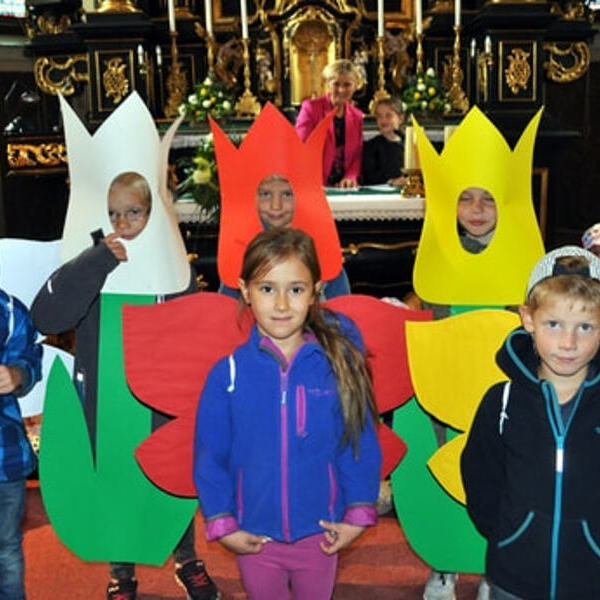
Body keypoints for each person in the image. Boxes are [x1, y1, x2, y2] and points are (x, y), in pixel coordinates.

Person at [31, 172, 219, 600]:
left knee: (170, 469)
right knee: (117, 469)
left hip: (162, 394)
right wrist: (98, 259)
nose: (123, 223)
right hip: (108, 396)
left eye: (134, 212)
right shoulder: (91, 262)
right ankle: (122, 570)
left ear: (154, 213)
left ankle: (186, 558)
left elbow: (192, 325)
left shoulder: (172, 264)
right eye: (113, 213)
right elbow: (49, 315)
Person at [194, 228, 382, 600]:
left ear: (315, 292)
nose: (281, 304)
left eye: (295, 289)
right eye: (267, 289)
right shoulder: (227, 374)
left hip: (320, 533)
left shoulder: (336, 366)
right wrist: (222, 520)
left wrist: (358, 512)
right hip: (255, 537)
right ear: (245, 290)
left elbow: (358, 442)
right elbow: (210, 456)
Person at [461, 245, 600, 600]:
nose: (568, 343)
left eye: (585, 327)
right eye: (554, 324)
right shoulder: (502, 402)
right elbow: (481, 477)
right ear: (528, 319)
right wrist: (508, 534)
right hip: (514, 576)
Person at [422, 186, 497, 600]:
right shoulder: (440, 255)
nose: (477, 209)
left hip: (496, 384)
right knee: (448, 468)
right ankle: (445, 562)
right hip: (450, 384)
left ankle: (491, 567)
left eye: (488, 198)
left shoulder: (522, 258)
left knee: (495, 476)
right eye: (466, 198)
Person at [218, 173, 351, 299]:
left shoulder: (323, 252)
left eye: (287, 194)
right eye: (265, 194)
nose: (276, 206)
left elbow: (341, 306)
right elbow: (226, 307)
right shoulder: (240, 251)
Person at [0, 291, 42, 600]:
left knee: (6, 549)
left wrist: (18, 374)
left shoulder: (9, 310)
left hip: (5, 458)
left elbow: (31, 356)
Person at [295, 59, 363, 188]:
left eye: (347, 84)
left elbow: (356, 156)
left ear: (355, 86)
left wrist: (350, 177)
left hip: (344, 187)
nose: (341, 90)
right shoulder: (311, 108)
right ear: (327, 84)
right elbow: (301, 147)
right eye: (336, 84)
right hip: (314, 183)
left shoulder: (357, 116)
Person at [361, 97, 407, 187]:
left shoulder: (410, 145)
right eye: (379, 116)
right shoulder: (370, 147)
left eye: (388, 115)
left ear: (401, 118)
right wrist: (391, 182)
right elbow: (369, 177)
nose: (383, 120)